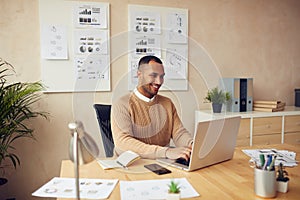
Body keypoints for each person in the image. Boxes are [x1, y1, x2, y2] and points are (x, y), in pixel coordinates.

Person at [111, 55, 193, 161]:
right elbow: (123, 142)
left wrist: (192, 145)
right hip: (131, 166)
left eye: (162, 76)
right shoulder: (122, 104)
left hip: (161, 164)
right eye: (153, 75)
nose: (159, 82)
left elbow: (179, 133)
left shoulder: (167, 103)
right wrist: (166, 152)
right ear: (139, 75)